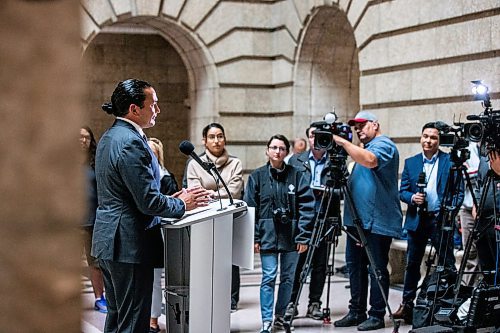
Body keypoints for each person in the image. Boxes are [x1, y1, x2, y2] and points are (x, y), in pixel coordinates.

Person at [92, 79, 209, 333]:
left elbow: (130, 194)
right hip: (128, 244)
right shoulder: (131, 141)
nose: (157, 110)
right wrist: (181, 203)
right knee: (133, 322)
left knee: (117, 319)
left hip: (110, 241)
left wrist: (174, 197)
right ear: (135, 109)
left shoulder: (110, 136)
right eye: (153, 105)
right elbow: (148, 203)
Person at [332, 111, 403, 331]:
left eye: (363, 126)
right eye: (356, 128)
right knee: (355, 267)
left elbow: (371, 162)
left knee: (376, 268)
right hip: (357, 221)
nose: (359, 130)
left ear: (375, 124)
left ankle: (376, 314)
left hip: (376, 221)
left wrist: (343, 142)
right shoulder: (361, 150)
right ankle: (356, 311)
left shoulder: (384, 145)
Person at [244, 134, 315, 333]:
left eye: (282, 148)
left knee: (287, 278)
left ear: (286, 152)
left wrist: (303, 237)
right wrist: (255, 237)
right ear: (267, 151)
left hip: (291, 236)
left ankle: (280, 317)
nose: (277, 151)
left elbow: (307, 208)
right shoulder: (256, 176)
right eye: (274, 148)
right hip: (267, 235)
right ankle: (266, 320)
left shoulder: (297, 175)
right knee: (268, 276)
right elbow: (251, 208)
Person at [394, 122, 463, 324]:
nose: (428, 140)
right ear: (420, 138)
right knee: (413, 264)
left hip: (440, 220)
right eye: (425, 136)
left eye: (433, 137)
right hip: (417, 221)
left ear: (439, 140)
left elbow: (458, 193)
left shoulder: (449, 162)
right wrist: (411, 197)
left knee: (447, 263)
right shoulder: (411, 162)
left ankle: (448, 303)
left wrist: (450, 211)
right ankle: (407, 305)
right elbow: (402, 191)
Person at [184, 122, 244, 311]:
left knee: (230, 260)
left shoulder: (235, 163)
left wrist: (210, 192)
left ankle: (232, 298)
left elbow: (235, 191)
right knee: (205, 259)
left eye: (220, 136)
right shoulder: (194, 164)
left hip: (230, 218)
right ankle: (206, 295)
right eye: (212, 137)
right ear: (204, 141)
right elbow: (195, 192)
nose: (216, 141)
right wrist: (220, 191)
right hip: (204, 219)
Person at [286, 123, 339, 320]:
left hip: (325, 218)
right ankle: (292, 302)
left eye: (321, 136)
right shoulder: (296, 161)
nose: (316, 140)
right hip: (301, 220)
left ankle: (314, 303)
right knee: (297, 263)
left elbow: (344, 190)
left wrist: (328, 191)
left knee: (320, 265)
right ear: (308, 138)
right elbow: (288, 188)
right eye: (312, 135)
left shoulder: (335, 162)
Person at [147, 138, 179, 333]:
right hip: (143, 233)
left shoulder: (166, 178)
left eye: (153, 152)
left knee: (155, 279)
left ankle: (153, 318)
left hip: (160, 233)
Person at [80, 126, 107, 313]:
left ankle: (100, 297)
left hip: (92, 219)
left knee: (95, 262)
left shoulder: (95, 162)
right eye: (78, 137)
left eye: (86, 138)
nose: (82, 141)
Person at [473, 150, 500, 286]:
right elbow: (479, 184)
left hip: (498, 218)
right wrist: (476, 205)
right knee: (487, 267)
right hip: (483, 221)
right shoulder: (485, 158)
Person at [459, 141, 481, 286]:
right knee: (470, 253)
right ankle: (469, 290)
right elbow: (464, 174)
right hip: (467, 209)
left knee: (490, 251)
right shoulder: (468, 149)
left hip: (491, 208)